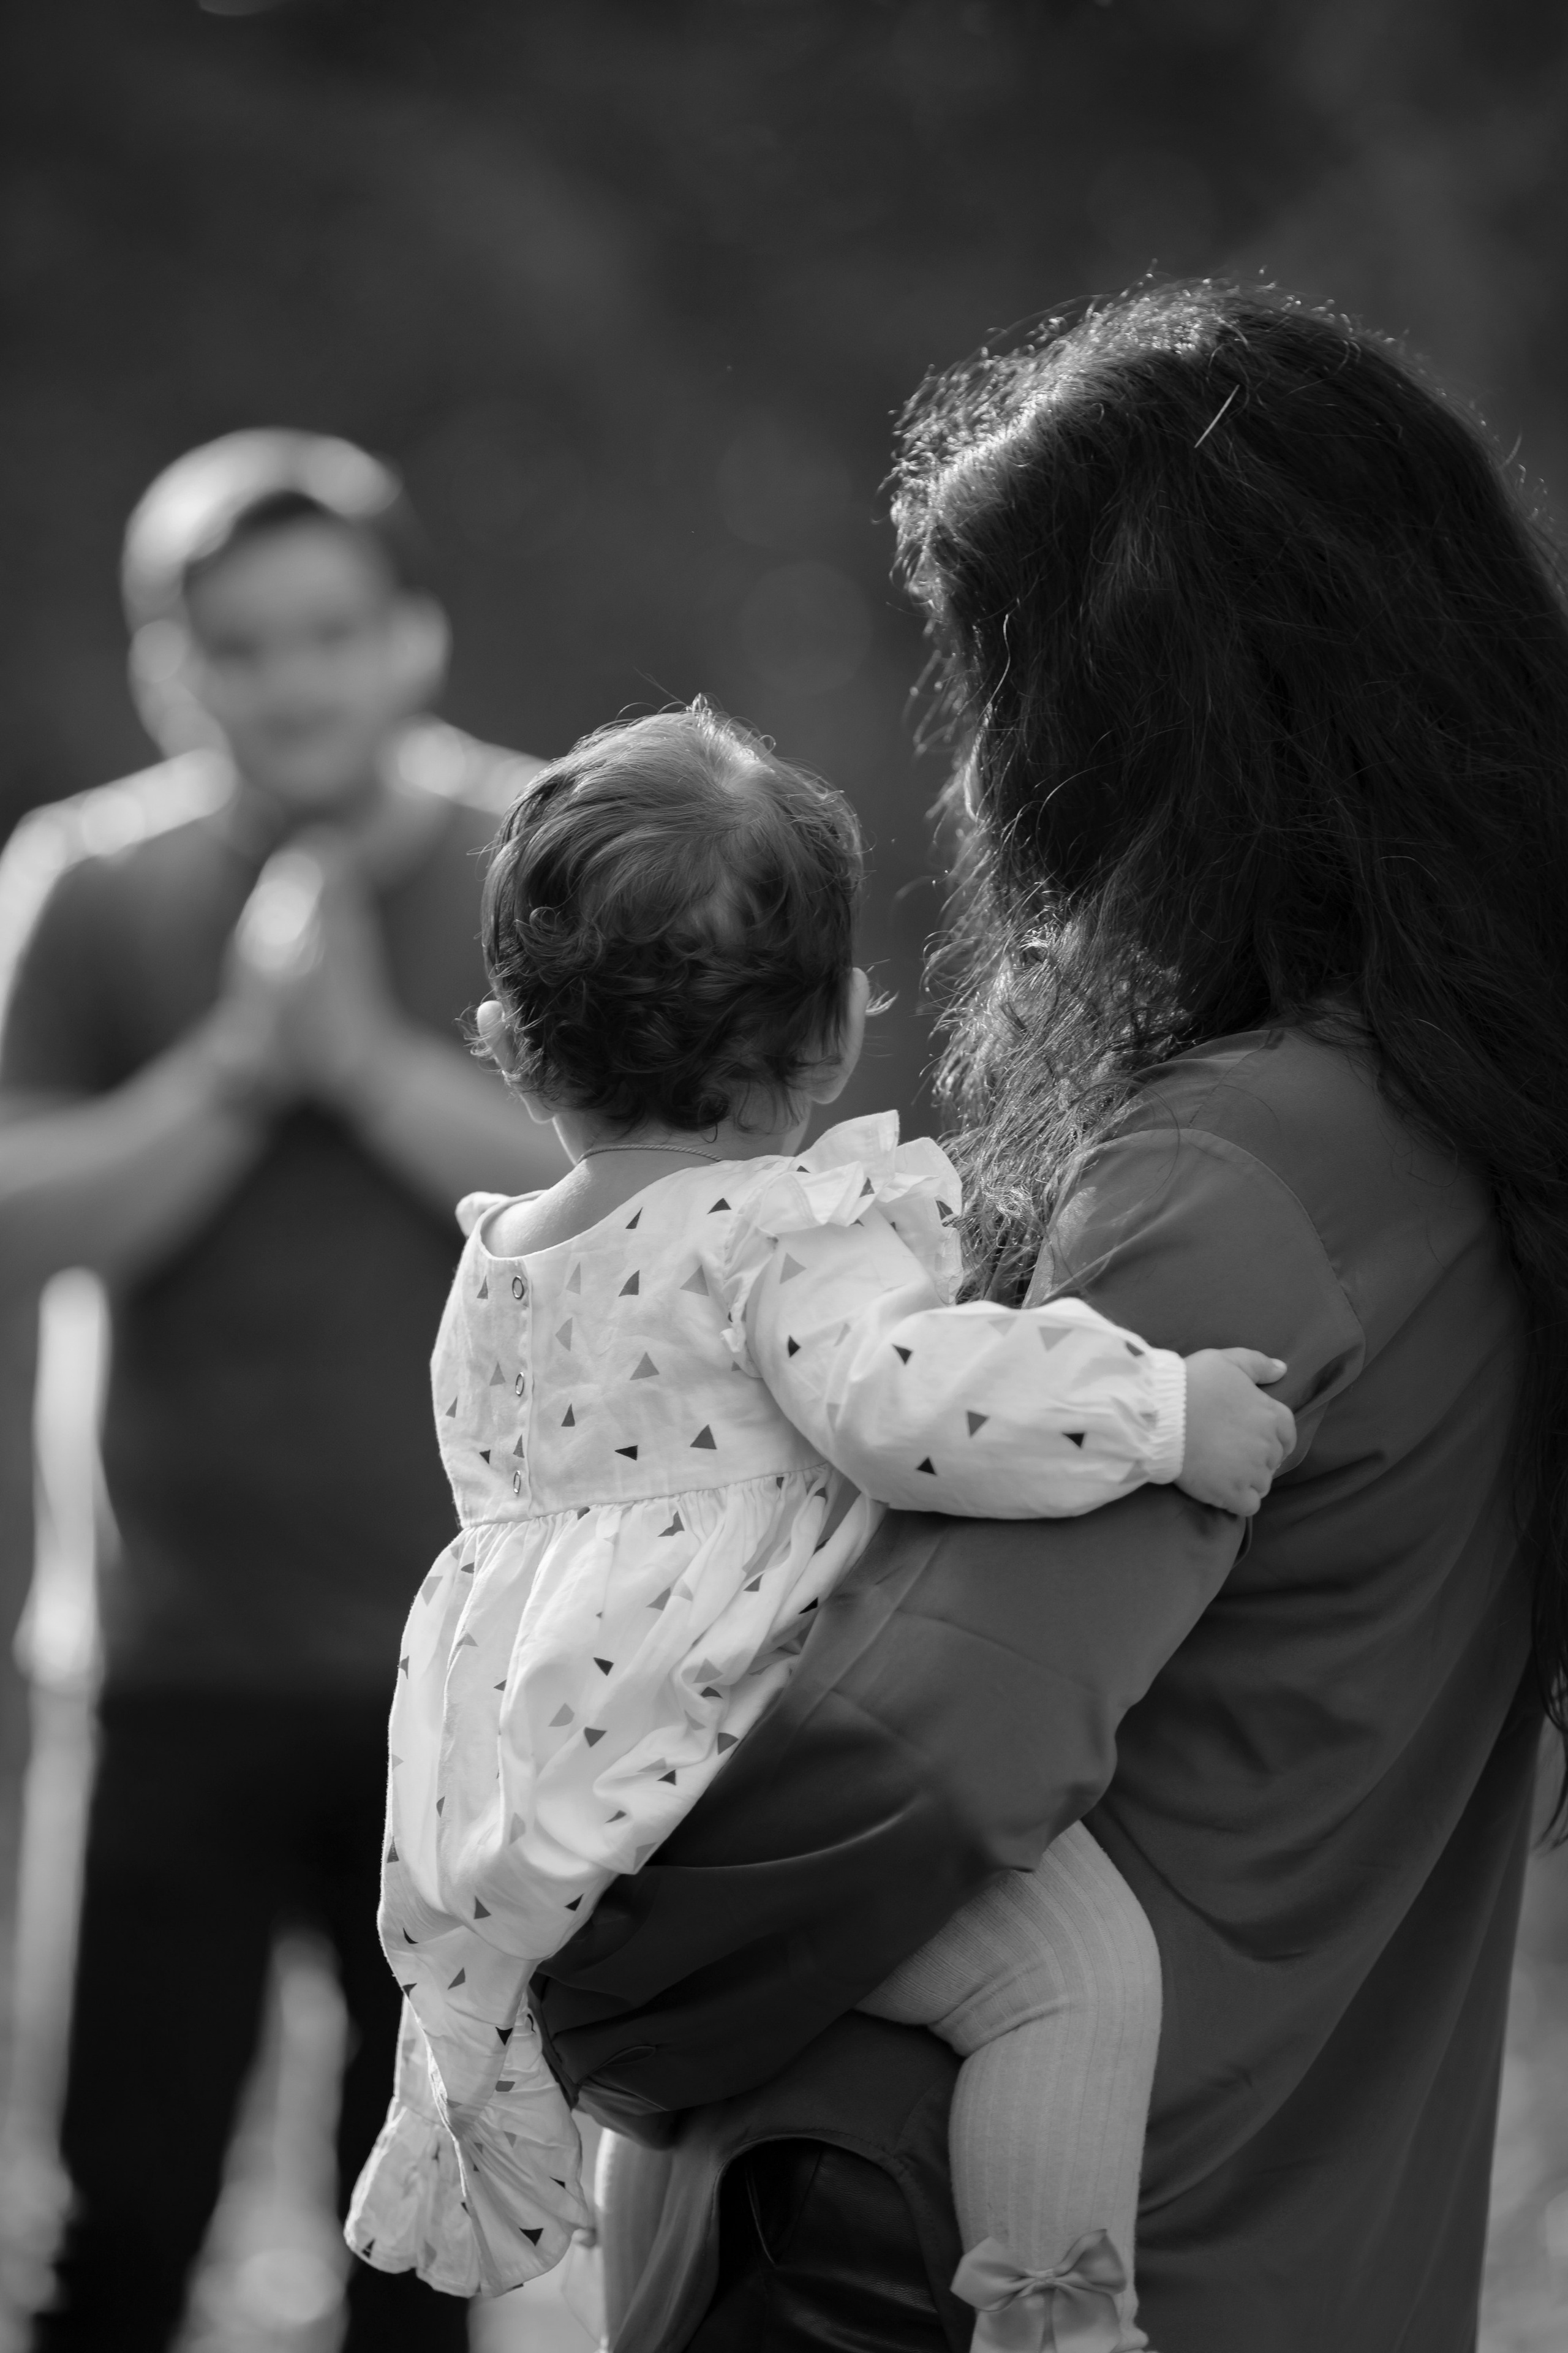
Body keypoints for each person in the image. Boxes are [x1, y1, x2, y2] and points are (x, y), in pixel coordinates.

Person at [525, 281, 1568, 2353]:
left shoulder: (1229, 1174)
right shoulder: (1476, 1116)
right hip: (1316, 2245)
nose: (988, 763)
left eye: (995, 678)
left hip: (972, 2254)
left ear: (1149, 704)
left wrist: (580, 1971)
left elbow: (929, 1756)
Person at [341, 704, 1294, 2348]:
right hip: (732, 1769)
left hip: (546, 1810)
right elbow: (915, 1404)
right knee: (1071, 1974)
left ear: (513, 1032)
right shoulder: (774, 1231)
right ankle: (1062, 2323)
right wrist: (1165, 1411)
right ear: (827, 1039)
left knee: (692, 2113)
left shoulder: (500, 1260)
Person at [0, 429, 563, 2352]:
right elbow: (20, 1215)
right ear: (168, 665)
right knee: (121, 2220)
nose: (293, 680)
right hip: (162, 1661)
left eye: (332, 631)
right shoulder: (85, 884)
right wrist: (242, 1068)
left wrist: (372, 1069)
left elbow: (638, 1206)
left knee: (419, 2251)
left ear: (417, 636)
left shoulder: (539, 860)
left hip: (477, 1678)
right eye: (238, 644)